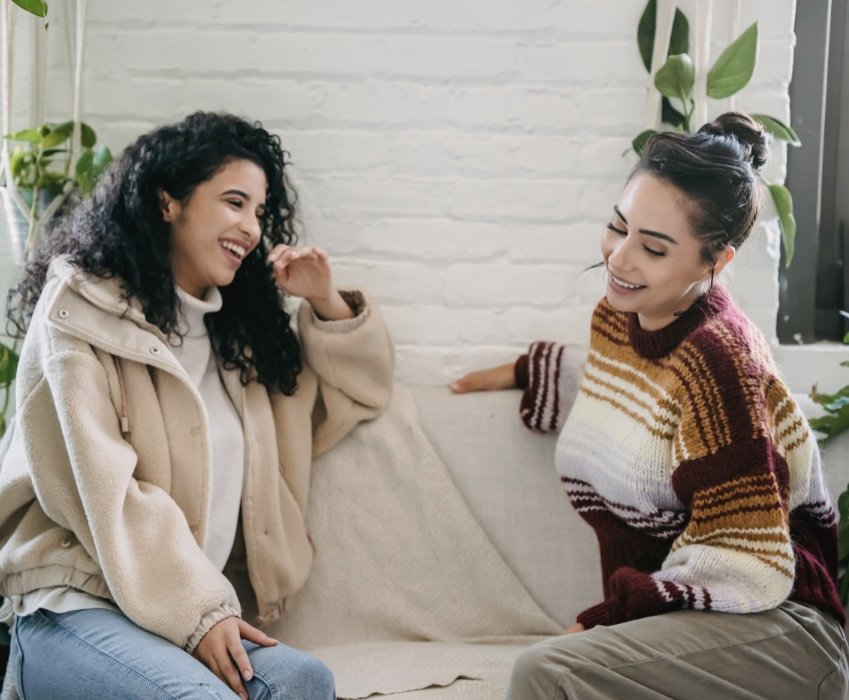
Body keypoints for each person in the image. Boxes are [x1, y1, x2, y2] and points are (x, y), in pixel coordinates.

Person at [451, 112, 848, 698]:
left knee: (545, 671)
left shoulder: (721, 360)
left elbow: (739, 555)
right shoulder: (622, 314)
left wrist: (606, 616)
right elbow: (637, 396)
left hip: (780, 631)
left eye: (654, 248)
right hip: (699, 620)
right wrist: (524, 372)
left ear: (716, 263)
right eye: (619, 226)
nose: (619, 258)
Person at [0, 111, 394, 699]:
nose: (253, 227)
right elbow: (107, 493)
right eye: (234, 202)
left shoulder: (242, 346)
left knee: (306, 682)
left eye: (260, 212)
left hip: (183, 619)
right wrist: (200, 613)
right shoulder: (80, 310)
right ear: (169, 201)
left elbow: (360, 393)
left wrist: (325, 301)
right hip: (77, 602)